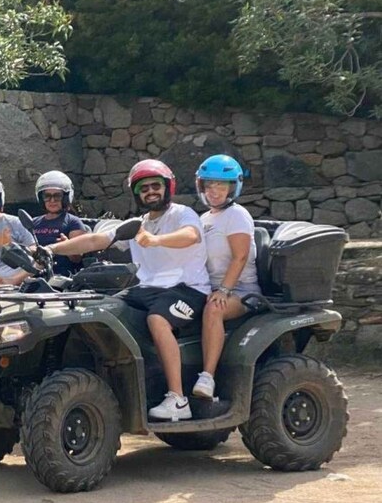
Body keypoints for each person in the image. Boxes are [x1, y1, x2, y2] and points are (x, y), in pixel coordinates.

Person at [42, 159, 209, 421]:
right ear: (136, 194)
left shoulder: (182, 214)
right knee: (100, 307)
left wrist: (156, 240)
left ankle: (178, 399)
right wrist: (49, 249)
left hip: (187, 289)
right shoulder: (137, 223)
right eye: (144, 188)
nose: (151, 191)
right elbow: (96, 239)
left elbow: (191, 235)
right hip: (146, 289)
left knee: (158, 320)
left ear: (168, 187)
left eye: (156, 185)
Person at [194, 154, 260, 399]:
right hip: (211, 285)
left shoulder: (237, 215)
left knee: (214, 308)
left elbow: (240, 257)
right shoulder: (204, 219)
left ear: (233, 187)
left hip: (242, 290)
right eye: (209, 185)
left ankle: (207, 377)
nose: (214, 191)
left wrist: (223, 290)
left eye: (221, 185)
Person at [30, 171, 88, 276]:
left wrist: (68, 246)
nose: (52, 200)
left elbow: (77, 258)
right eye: (47, 196)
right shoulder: (33, 222)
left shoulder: (73, 222)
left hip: (64, 280)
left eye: (57, 196)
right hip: (34, 277)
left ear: (66, 197)